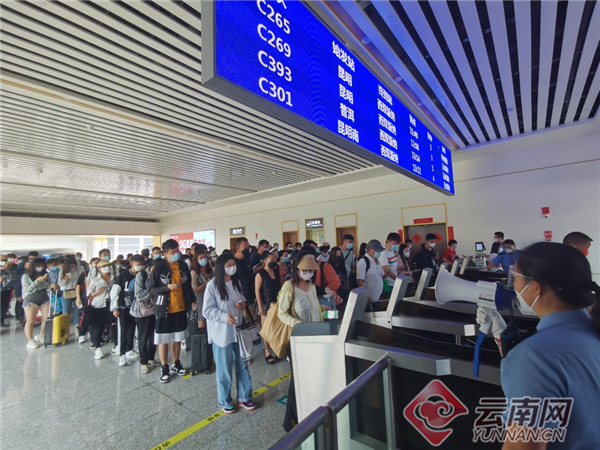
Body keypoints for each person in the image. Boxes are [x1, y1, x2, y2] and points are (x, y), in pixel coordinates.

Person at [499, 242, 600, 449]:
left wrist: (521, 363)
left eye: (516, 278)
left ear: (535, 287)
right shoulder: (592, 333)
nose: (514, 286)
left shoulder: (533, 357)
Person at [278, 252, 328, 431]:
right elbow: (282, 313)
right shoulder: (289, 286)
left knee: (312, 377)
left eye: (311, 271)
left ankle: (308, 413)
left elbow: (315, 307)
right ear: (297, 268)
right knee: (298, 380)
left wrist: (326, 310)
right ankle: (290, 421)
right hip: (299, 341)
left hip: (317, 337)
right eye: (305, 271)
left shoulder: (311, 285)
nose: (309, 274)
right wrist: (298, 324)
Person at [203, 254, 255, 414]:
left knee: (242, 364)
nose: (233, 267)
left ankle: (244, 396)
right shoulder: (212, 285)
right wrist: (224, 317)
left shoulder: (236, 282)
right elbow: (207, 310)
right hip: (222, 333)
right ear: (221, 267)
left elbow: (240, 298)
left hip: (239, 331)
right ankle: (225, 400)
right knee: (224, 368)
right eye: (229, 265)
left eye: (234, 264)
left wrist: (242, 303)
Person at [149, 239, 195, 383]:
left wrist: (192, 300)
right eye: (172, 252)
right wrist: (166, 288)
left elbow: (188, 285)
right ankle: (164, 367)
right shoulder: (159, 268)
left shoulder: (183, 265)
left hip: (180, 307)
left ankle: (176, 362)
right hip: (164, 309)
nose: (176, 254)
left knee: (177, 337)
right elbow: (151, 289)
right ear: (165, 254)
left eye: (177, 251)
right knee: (163, 340)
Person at [111, 255, 144, 366]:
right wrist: (115, 307)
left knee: (132, 330)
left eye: (142, 265)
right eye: (138, 264)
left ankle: (130, 349)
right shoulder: (123, 276)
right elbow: (115, 292)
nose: (140, 266)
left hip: (137, 308)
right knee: (123, 331)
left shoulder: (142, 275)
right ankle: (122, 354)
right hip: (124, 308)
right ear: (132, 264)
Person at [255, 248, 282, 364]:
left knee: (275, 328)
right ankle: (267, 351)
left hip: (276, 303)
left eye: (274, 259)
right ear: (265, 261)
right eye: (271, 260)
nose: (273, 261)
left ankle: (276, 349)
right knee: (265, 329)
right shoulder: (260, 274)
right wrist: (260, 306)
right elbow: (257, 291)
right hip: (265, 304)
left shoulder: (276, 272)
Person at [22, 258, 54, 348]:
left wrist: (52, 285)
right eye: (38, 266)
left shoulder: (45, 274)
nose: (40, 268)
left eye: (42, 266)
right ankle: (30, 340)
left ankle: (41, 335)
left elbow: (49, 284)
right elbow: (28, 290)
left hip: (44, 296)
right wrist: (37, 281)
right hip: (31, 298)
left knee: (47, 318)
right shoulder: (26, 276)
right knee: (30, 320)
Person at [87, 260, 116, 359]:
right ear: (99, 269)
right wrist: (98, 291)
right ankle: (97, 347)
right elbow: (89, 295)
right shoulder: (95, 280)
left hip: (111, 304)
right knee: (98, 326)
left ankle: (116, 346)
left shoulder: (114, 278)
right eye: (104, 266)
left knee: (113, 325)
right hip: (99, 305)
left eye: (108, 266)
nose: (107, 268)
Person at [134, 260, 159, 374]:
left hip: (155, 309)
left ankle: (151, 357)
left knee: (153, 335)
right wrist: (154, 291)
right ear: (151, 267)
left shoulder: (158, 274)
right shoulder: (142, 275)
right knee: (143, 336)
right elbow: (139, 294)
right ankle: (143, 362)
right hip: (143, 310)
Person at [58, 255, 86, 330]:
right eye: (70, 265)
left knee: (78, 310)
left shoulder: (81, 268)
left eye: (73, 264)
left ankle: (77, 327)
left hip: (78, 291)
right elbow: (61, 284)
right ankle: (64, 329)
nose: (72, 266)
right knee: (66, 311)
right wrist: (65, 280)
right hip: (67, 291)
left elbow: (83, 280)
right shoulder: (63, 270)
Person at [190, 250, 214, 330]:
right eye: (201, 258)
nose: (204, 260)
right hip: (200, 300)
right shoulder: (194, 272)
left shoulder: (211, 270)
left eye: (205, 258)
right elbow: (193, 289)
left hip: (211, 297)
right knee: (202, 321)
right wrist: (204, 285)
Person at [233, 238, 257, 305]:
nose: (247, 249)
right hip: (240, 296)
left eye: (248, 247)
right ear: (237, 248)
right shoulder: (233, 262)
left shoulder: (247, 259)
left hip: (250, 293)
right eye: (245, 248)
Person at [379, 233, 402, 299]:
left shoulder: (391, 251)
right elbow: (386, 269)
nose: (396, 246)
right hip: (388, 284)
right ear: (388, 242)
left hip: (393, 282)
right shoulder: (383, 252)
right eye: (394, 244)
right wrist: (398, 279)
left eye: (397, 244)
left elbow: (392, 265)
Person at [0, 255, 17, 327]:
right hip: (1, 289)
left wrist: (8, 267)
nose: (4, 262)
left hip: (7, 289)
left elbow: (15, 270)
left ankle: (1, 319)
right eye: (2, 260)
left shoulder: (10, 268)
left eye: (5, 260)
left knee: (5, 305)